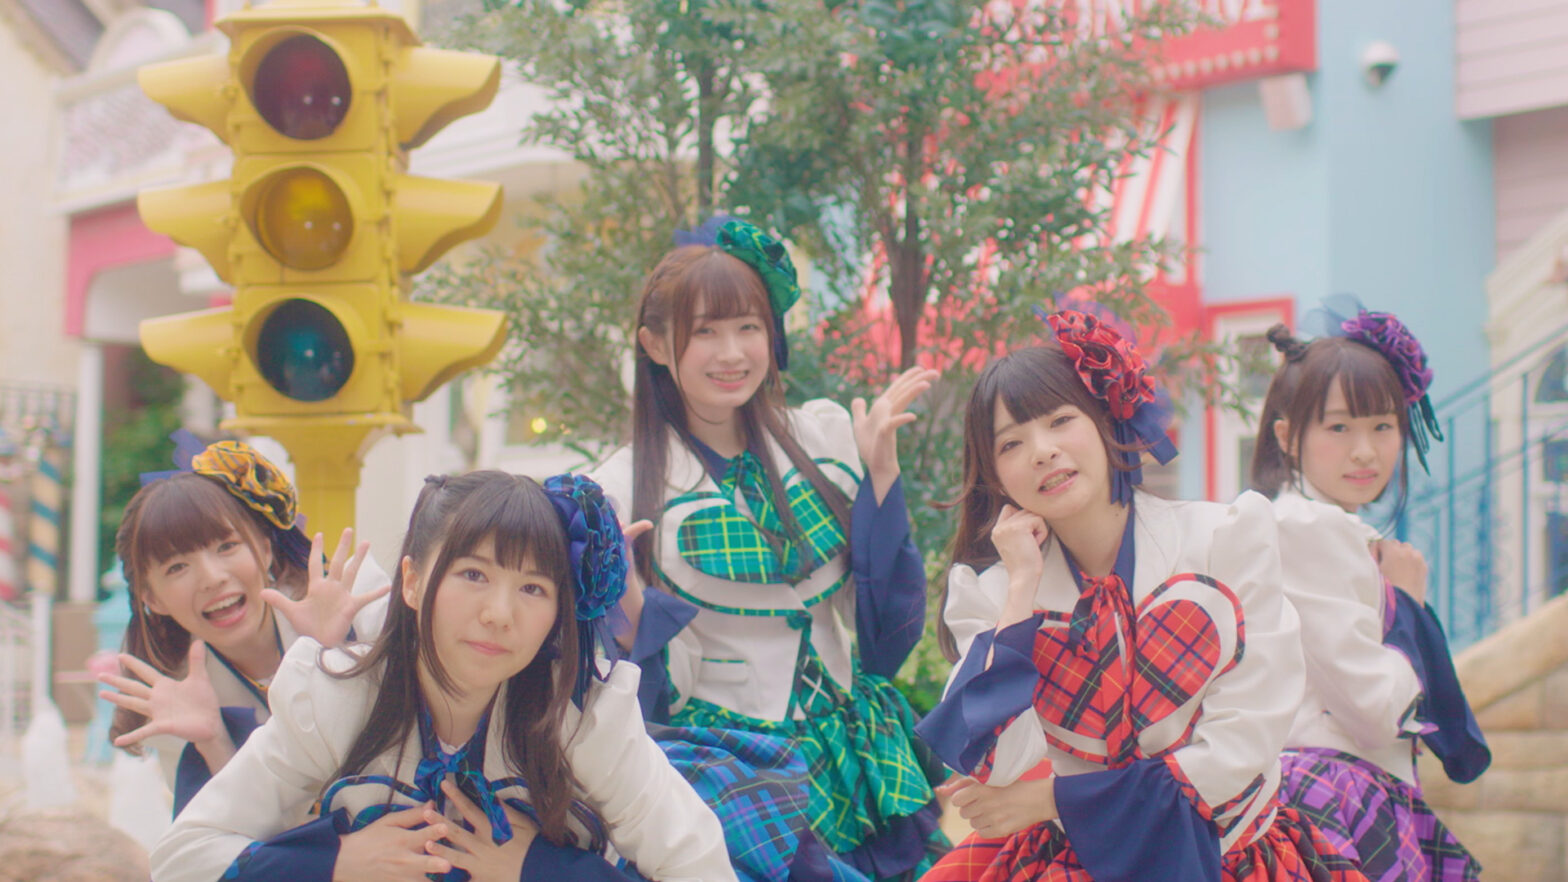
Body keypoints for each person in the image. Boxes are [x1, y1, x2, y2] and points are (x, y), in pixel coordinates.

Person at [915, 310, 1365, 882]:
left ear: (1107, 420)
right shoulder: (993, 595)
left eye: (1060, 420)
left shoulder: (1225, 539)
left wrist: (1057, 800)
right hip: (1078, 863)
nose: (1042, 451)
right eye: (1011, 443)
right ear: (995, 477)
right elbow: (996, 764)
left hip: (1231, 856)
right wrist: (1020, 589)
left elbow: (1243, 742)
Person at [151, 471, 736, 882]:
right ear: (411, 582)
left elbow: (702, 869)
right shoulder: (336, 700)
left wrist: (542, 871)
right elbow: (184, 857)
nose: (499, 613)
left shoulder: (583, 718)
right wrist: (335, 862)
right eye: (473, 575)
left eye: (533, 588)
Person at [591, 216, 946, 880]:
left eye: (748, 327)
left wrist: (880, 479)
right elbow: (625, 686)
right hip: (731, 766)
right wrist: (632, 621)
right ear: (655, 345)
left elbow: (884, 635)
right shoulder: (619, 490)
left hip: (855, 747)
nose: (732, 353)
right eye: (705, 331)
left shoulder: (823, 440)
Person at [1252, 308, 1488, 882]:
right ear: (1286, 436)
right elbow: (1377, 711)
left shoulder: (1314, 525)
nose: (1365, 451)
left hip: (1331, 788)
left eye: (1383, 426)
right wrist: (1407, 603)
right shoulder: (1309, 528)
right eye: (1339, 428)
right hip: (1332, 795)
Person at [98, 433, 389, 813]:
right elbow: (227, 837)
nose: (212, 577)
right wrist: (213, 741)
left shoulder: (355, 598)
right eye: (178, 567)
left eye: (227, 546)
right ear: (151, 598)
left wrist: (337, 651)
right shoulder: (175, 699)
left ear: (265, 549)